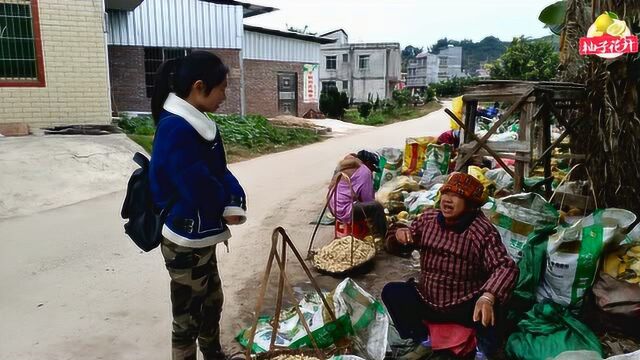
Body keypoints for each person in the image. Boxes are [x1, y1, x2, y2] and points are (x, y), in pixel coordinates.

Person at [149, 52, 247, 360]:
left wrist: (235, 198)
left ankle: (212, 352)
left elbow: (218, 171)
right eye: (222, 87)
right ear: (199, 86)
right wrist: (224, 202)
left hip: (202, 235)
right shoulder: (176, 129)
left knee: (212, 300)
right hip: (184, 241)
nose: (225, 95)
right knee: (188, 314)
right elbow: (196, 185)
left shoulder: (199, 123)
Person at [382, 173, 518, 360]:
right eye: (446, 193)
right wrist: (398, 234)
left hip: (465, 306)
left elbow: (505, 266)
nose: (447, 199)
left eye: (456, 196)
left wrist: (488, 297)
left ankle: (484, 351)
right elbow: (395, 243)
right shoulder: (428, 220)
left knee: (495, 307)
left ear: (470, 204)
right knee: (392, 292)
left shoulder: (482, 231)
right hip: (429, 300)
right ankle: (424, 339)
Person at [327, 150, 387, 239]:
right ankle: (382, 238)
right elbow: (367, 198)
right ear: (368, 163)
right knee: (377, 207)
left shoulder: (347, 168)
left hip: (333, 207)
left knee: (370, 206)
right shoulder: (364, 171)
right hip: (344, 209)